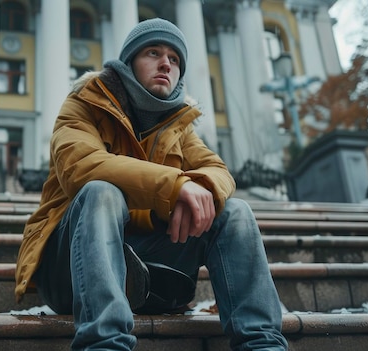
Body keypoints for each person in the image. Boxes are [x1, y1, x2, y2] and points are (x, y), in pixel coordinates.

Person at [15, 17, 288, 351]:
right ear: (129, 62)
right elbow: (81, 167)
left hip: (148, 270)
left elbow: (217, 170)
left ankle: (261, 343)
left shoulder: (179, 125)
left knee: (235, 212)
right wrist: (174, 188)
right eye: (153, 52)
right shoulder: (83, 104)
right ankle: (105, 344)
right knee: (101, 191)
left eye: (174, 59)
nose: (165, 64)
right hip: (70, 269)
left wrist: (195, 189)